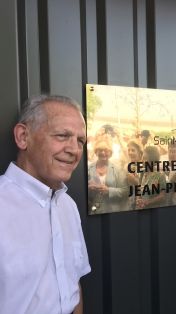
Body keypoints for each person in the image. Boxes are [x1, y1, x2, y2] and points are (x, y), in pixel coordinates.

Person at [0, 95, 91, 314]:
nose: (75, 150)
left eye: (80, 140)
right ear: (23, 137)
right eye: (62, 136)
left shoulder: (67, 205)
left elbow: (72, 285)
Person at [87, 138, 129, 214]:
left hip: (113, 211)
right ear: (96, 152)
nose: (103, 153)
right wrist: (88, 189)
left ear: (110, 153)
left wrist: (109, 191)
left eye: (106, 150)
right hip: (94, 210)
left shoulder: (118, 169)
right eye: (100, 150)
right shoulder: (89, 168)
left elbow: (125, 191)